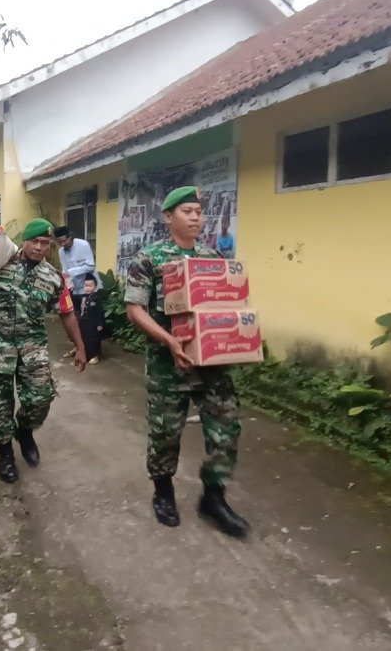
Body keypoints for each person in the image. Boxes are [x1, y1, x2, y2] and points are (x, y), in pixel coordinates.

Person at [124, 186, 249, 538]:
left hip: (211, 364)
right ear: (168, 217)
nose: (195, 217)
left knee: (226, 428)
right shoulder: (149, 258)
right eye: (187, 211)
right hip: (168, 364)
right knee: (165, 433)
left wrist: (236, 337)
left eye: (198, 211)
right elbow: (134, 309)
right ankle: (163, 493)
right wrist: (168, 340)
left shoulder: (211, 257)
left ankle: (214, 498)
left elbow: (225, 304)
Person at [0, 218, 88, 483]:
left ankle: (25, 431)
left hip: (32, 346)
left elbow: (67, 313)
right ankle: (5, 454)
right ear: (24, 241)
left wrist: (81, 347)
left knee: (40, 398)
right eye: (34, 241)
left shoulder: (53, 278)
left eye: (45, 243)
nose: (39, 247)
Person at [54, 226, 95, 309]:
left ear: (70, 237)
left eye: (64, 241)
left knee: (88, 316)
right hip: (73, 290)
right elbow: (65, 270)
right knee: (75, 315)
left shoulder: (83, 245)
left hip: (88, 288)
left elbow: (90, 266)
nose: (62, 244)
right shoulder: (61, 251)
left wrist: (71, 272)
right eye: (59, 242)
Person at [76, 273, 105, 365]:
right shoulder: (83, 297)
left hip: (93, 323)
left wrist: (100, 324)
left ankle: (94, 356)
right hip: (83, 322)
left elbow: (100, 311)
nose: (88, 288)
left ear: (95, 286)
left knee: (93, 340)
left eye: (90, 286)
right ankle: (86, 355)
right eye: (86, 286)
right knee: (84, 339)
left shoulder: (97, 298)